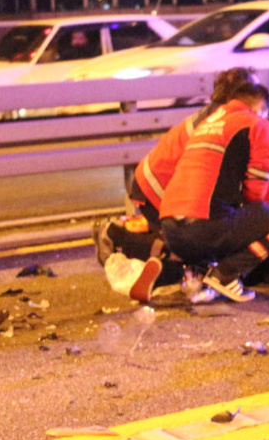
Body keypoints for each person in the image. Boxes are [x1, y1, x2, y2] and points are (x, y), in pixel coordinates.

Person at [96, 68, 260, 301]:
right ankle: (118, 235)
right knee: (198, 242)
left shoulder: (219, 116)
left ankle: (163, 271)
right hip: (160, 187)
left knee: (195, 250)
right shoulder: (227, 124)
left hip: (156, 183)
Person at [158, 79, 269, 302]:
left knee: (232, 214)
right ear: (261, 107)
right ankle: (226, 274)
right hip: (204, 226)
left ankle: (198, 273)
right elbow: (257, 190)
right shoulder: (256, 123)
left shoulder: (208, 123)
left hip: (171, 230)